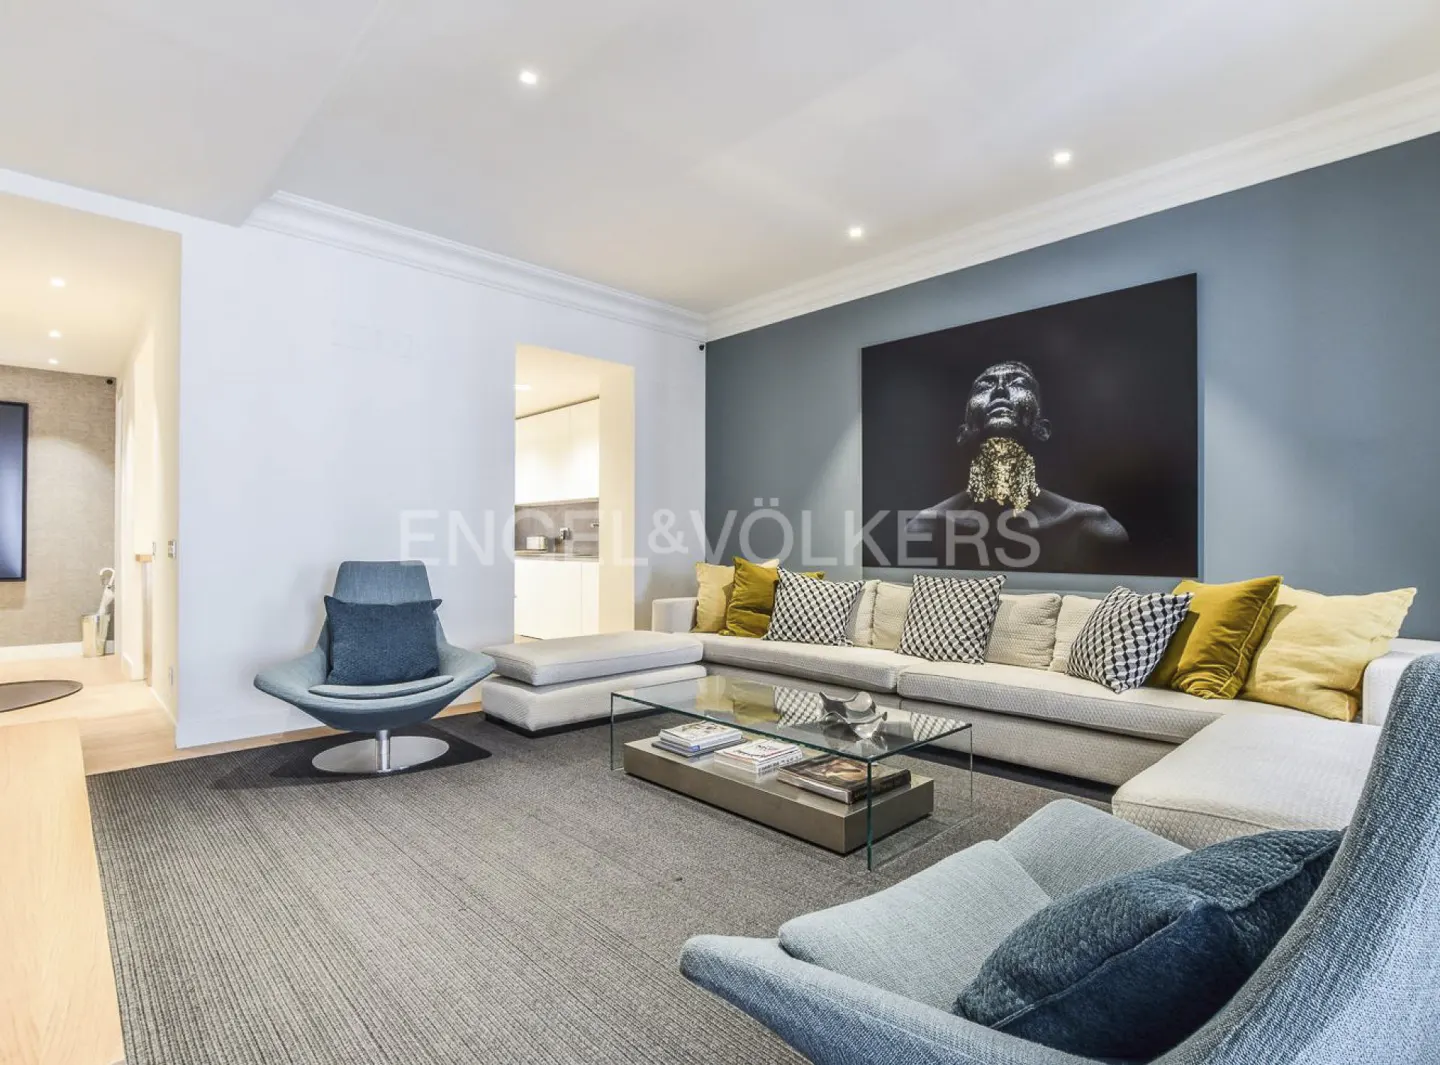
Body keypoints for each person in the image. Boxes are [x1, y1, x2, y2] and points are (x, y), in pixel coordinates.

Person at [903, 360, 1127, 571]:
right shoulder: (927, 528)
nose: (1000, 390)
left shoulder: (1088, 527)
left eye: (1018, 383)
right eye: (985, 386)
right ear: (963, 434)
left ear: (1042, 430)